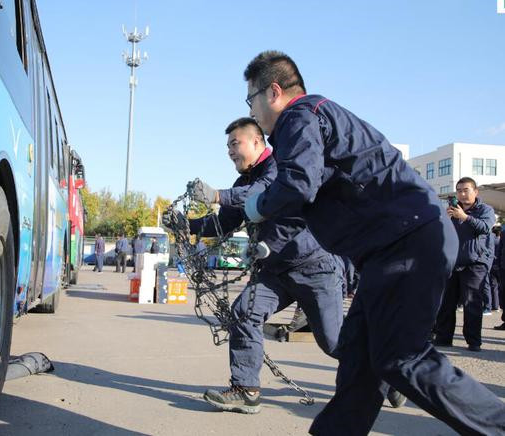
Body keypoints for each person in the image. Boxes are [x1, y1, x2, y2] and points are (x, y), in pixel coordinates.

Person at [240, 50, 505, 434]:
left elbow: (296, 185)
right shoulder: (314, 120)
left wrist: (257, 206)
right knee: (359, 360)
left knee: (402, 357)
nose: (252, 110)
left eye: (251, 100)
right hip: (398, 245)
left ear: (275, 91)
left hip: (406, 243)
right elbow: (305, 199)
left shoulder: (300, 117)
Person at [182, 116, 345, 414]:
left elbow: (265, 193)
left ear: (256, 142)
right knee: (244, 312)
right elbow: (224, 222)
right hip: (275, 271)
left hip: (314, 267)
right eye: (227, 146)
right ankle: (246, 389)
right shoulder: (242, 181)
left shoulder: (280, 167)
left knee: (333, 342)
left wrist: (218, 195)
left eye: (235, 143)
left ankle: (387, 377)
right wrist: (187, 224)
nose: (230, 151)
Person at [434, 178, 495, 351]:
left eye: (466, 190)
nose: (461, 193)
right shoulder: (452, 211)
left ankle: (474, 341)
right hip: (453, 263)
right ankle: (443, 337)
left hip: (475, 263)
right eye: (459, 190)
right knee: (446, 303)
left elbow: (485, 227)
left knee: (472, 303)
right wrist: (444, 219)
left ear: (475, 192)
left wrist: (465, 217)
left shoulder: (485, 210)